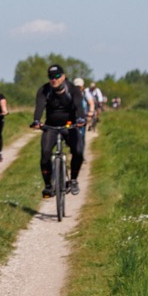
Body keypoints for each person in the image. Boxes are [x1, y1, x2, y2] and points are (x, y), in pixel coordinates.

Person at [32, 64, 87, 198]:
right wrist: (37, 121)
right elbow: (39, 107)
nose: (54, 80)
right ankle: (48, 186)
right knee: (45, 154)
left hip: (70, 126)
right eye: (51, 77)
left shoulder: (73, 90)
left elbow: (79, 106)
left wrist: (81, 119)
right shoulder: (44, 90)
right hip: (51, 126)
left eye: (57, 76)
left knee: (78, 152)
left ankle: (73, 180)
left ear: (63, 76)